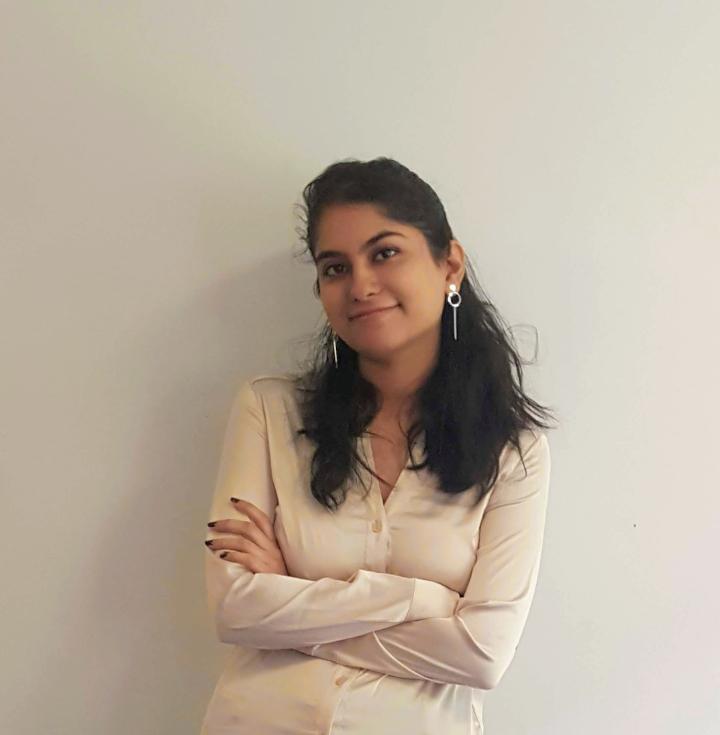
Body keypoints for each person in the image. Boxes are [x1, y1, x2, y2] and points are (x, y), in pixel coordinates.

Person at [200, 157, 556, 734]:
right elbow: (236, 608)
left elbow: (482, 654)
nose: (360, 284)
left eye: (384, 252)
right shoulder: (268, 412)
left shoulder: (513, 453)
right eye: (335, 267)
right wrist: (424, 600)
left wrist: (295, 601)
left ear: (450, 265)